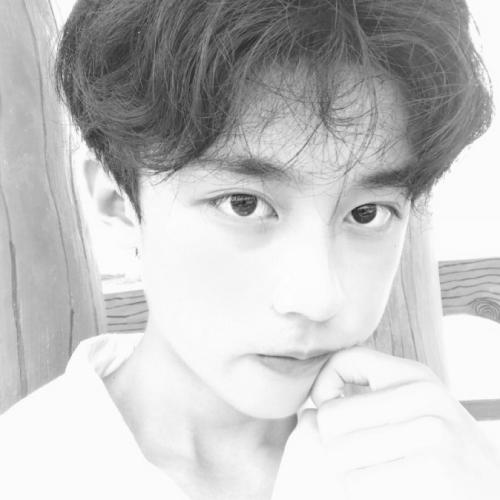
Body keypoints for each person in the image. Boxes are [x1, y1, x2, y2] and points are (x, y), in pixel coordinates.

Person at [0, 0, 498, 499]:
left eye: (367, 213)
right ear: (119, 207)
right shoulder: (27, 472)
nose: (318, 298)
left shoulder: (438, 467)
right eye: (244, 204)